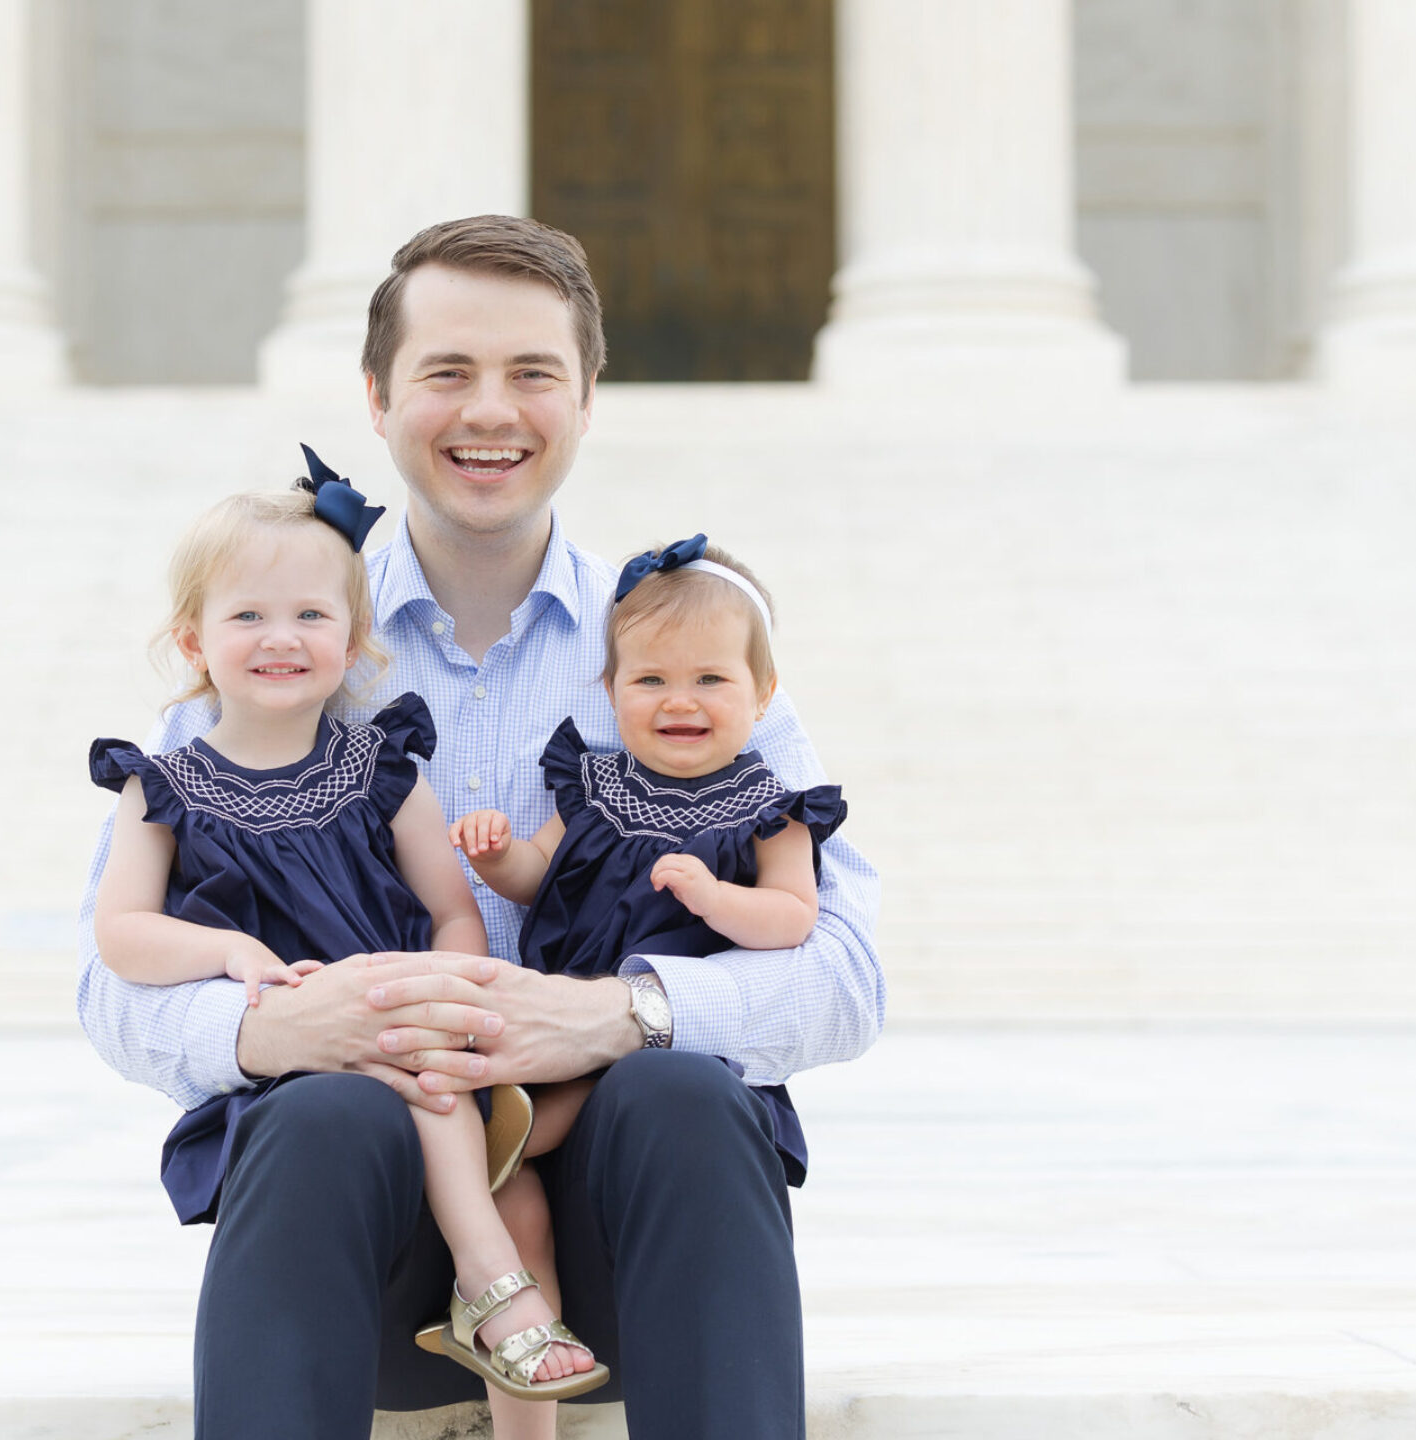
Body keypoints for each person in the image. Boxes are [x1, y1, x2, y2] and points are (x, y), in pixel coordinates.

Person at [76, 214, 884, 1440]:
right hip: (370, 1234)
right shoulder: (275, 647)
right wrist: (274, 1020)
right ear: (378, 395)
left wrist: (624, 1010)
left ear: (588, 395)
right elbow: (111, 985)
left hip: (628, 1250)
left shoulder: (689, 660)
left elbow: (849, 975)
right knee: (317, 1105)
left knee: (684, 1094)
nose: (489, 412)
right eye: (448, 373)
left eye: (532, 374)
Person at [86, 466, 607, 1437]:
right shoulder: (162, 786)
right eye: (248, 616)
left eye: (311, 615)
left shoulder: (382, 770)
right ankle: (488, 1280)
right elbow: (122, 934)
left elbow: (453, 912)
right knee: (415, 1100)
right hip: (307, 1077)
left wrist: (439, 986)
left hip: (415, 1027)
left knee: (502, 1164)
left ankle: (515, 1374)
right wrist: (234, 956)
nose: (282, 638)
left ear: (356, 642)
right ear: (193, 640)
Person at [449, 536, 849, 1181]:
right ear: (612, 690)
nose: (680, 700)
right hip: (561, 1005)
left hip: (678, 1036)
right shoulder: (600, 785)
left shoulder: (768, 809)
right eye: (651, 679)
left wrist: (716, 898)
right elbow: (538, 876)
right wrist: (498, 857)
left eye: (710, 679)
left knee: (592, 1093)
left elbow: (794, 915)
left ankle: (488, 1157)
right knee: (518, 1074)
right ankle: (488, 1176)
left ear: (763, 693)